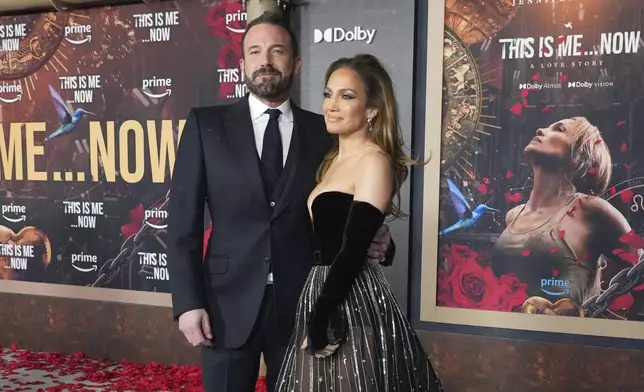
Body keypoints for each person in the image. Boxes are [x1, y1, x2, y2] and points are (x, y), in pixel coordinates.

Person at [167, 12, 396, 392]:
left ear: (296, 63)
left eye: (277, 50)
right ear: (242, 64)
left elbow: (343, 214)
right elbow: (182, 223)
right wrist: (187, 302)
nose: (266, 60)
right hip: (225, 303)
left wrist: (383, 241)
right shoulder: (206, 125)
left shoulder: (325, 131)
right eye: (255, 51)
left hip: (304, 304)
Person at [274, 54, 444, 391]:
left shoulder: (374, 160)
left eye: (346, 96)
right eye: (328, 94)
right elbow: (335, 232)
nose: (331, 105)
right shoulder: (331, 160)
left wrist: (321, 314)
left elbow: (352, 248)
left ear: (372, 109)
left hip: (350, 300)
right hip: (321, 291)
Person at [491, 117, 644, 317]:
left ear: (580, 154)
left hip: (566, 345)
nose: (540, 129)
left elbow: (639, 269)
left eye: (560, 129)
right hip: (509, 340)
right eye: (547, 125)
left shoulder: (590, 210)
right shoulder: (513, 215)